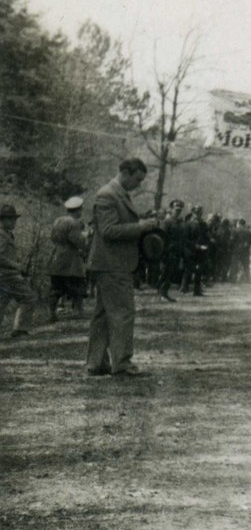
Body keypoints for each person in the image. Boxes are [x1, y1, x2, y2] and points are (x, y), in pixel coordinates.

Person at [85, 158, 159, 376]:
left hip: (110, 263)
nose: (138, 184)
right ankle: (122, 363)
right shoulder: (107, 195)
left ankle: (96, 362)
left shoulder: (116, 194)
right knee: (122, 313)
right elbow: (108, 230)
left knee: (103, 314)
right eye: (137, 179)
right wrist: (140, 227)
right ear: (125, 172)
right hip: (113, 264)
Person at [48, 196, 89, 319]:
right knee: (77, 285)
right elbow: (78, 241)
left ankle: (51, 313)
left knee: (56, 287)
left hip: (56, 256)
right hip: (70, 258)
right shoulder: (74, 223)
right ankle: (77, 311)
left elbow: (52, 237)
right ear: (78, 210)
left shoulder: (58, 221)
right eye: (80, 210)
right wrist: (85, 240)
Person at [0, 203, 38, 337]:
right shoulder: (2, 235)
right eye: (9, 219)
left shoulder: (7, 234)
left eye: (14, 218)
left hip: (6, 275)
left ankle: (19, 329)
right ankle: (20, 329)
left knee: (2, 303)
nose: (13, 221)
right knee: (29, 298)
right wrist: (17, 266)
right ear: (2, 220)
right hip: (7, 275)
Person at [156, 199, 187, 303]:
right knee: (164, 273)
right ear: (171, 209)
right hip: (167, 252)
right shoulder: (166, 222)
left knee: (170, 273)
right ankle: (161, 294)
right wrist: (163, 252)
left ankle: (165, 293)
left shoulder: (180, 223)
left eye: (180, 210)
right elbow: (161, 237)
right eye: (176, 209)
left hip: (176, 252)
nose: (178, 211)